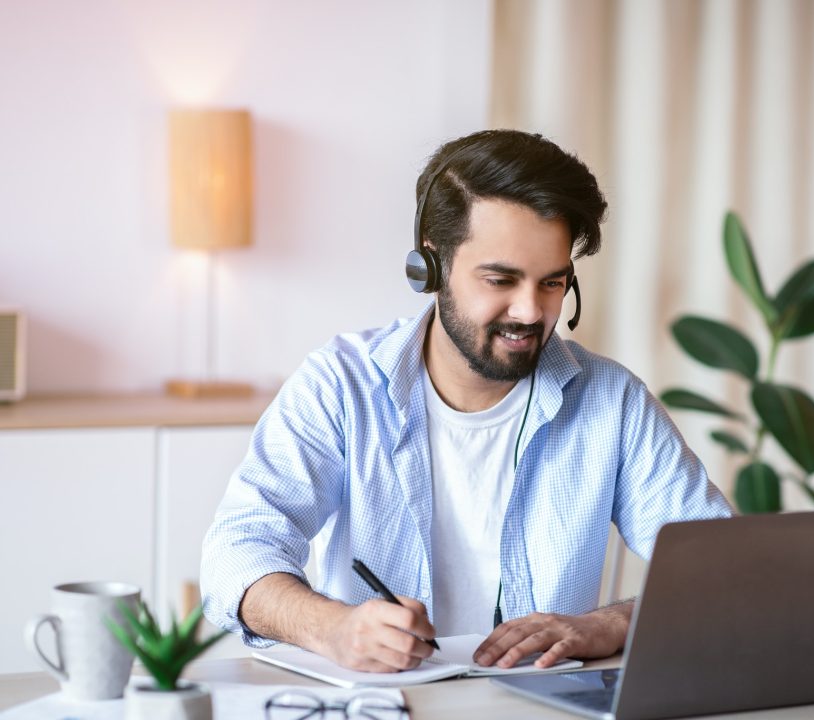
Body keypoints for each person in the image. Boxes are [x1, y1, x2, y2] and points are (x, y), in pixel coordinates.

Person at [200, 129, 732, 674]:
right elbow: (234, 556)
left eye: (552, 283)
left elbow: (725, 572)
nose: (530, 311)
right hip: (387, 705)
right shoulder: (340, 385)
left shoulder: (612, 403)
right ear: (430, 266)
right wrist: (333, 628)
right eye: (501, 279)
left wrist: (606, 623)